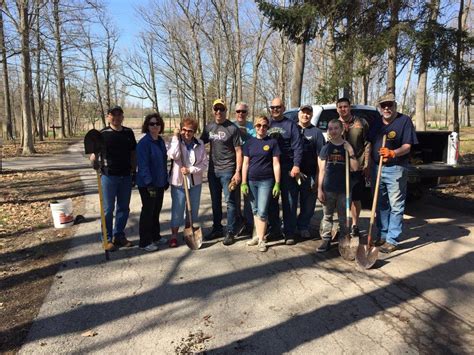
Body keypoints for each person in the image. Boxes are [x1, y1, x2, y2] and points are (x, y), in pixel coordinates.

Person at [369, 93, 418, 253]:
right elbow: (370, 146)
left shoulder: (404, 121)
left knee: (396, 205)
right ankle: (382, 235)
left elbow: (407, 146)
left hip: (396, 168)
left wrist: (393, 153)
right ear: (380, 107)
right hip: (377, 168)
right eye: (384, 105)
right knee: (381, 204)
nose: (387, 108)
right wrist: (369, 167)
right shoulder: (376, 122)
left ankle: (392, 240)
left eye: (390, 105)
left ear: (395, 106)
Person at [89, 105, 136, 251]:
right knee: (108, 209)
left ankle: (119, 236)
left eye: (119, 115)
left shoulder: (128, 133)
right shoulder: (102, 134)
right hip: (108, 176)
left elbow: (133, 153)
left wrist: (134, 171)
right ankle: (107, 238)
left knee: (123, 208)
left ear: (122, 116)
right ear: (108, 116)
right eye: (112, 115)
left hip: (126, 176)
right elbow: (93, 155)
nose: (116, 118)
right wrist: (93, 162)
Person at [200, 99, 242, 245]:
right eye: (216, 109)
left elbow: (238, 151)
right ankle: (217, 228)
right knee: (215, 202)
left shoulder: (232, 128)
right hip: (213, 171)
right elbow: (199, 144)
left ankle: (230, 231)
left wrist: (237, 172)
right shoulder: (209, 128)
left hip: (228, 170)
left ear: (226, 111)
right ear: (213, 111)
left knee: (229, 202)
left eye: (221, 109)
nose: (218, 112)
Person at [317, 119, 359, 252]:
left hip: (344, 190)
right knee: (327, 215)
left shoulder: (347, 146)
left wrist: (351, 152)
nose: (333, 131)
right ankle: (326, 239)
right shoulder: (326, 148)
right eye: (330, 128)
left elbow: (355, 168)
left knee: (343, 216)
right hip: (328, 188)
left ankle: (343, 239)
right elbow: (322, 170)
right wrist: (319, 189)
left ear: (341, 130)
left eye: (336, 128)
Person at [241, 116, 281, 252]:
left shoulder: (272, 143)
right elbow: (245, 164)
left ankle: (262, 239)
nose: (261, 128)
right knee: (255, 210)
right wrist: (243, 182)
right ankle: (258, 236)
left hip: (266, 181)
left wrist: (277, 183)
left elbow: (276, 164)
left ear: (268, 127)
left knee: (263, 211)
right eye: (258, 125)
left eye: (264, 126)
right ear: (254, 127)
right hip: (251, 181)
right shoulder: (249, 143)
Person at [267, 97, 303, 245]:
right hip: (269, 168)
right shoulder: (266, 124)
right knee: (271, 201)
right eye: (273, 107)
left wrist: (296, 165)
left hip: (288, 167)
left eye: (278, 107)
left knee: (289, 201)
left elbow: (297, 147)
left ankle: (289, 232)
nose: (275, 110)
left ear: (283, 108)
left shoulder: (291, 125)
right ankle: (275, 230)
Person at [168, 117, 208, 247]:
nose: (186, 133)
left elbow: (204, 164)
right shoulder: (176, 141)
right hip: (179, 182)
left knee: (193, 209)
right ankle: (174, 235)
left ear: (194, 132)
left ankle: (188, 230)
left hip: (195, 182)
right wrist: (175, 137)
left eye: (190, 131)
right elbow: (173, 155)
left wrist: (191, 169)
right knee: (178, 209)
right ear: (180, 130)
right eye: (184, 130)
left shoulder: (200, 144)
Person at [336, 97, 370, 237]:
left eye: (346, 106)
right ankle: (343, 224)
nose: (343, 109)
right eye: (340, 107)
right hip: (339, 168)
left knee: (356, 198)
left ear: (350, 107)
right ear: (337, 109)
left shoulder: (360, 123)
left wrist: (367, 164)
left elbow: (367, 143)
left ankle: (355, 225)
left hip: (357, 167)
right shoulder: (335, 124)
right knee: (341, 199)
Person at [136, 113, 169, 252]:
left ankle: (155, 236)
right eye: (151, 124)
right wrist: (149, 183)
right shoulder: (144, 143)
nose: (155, 126)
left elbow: (163, 162)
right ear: (147, 126)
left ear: (160, 125)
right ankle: (144, 241)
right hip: (147, 184)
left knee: (156, 211)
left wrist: (165, 179)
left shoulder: (160, 141)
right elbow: (143, 166)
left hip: (160, 182)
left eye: (157, 123)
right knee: (148, 212)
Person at [296, 104, 325, 239]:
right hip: (293, 173)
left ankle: (303, 226)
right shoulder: (293, 129)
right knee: (290, 203)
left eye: (308, 113)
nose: (305, 115)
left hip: (310, 174)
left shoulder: (317, 133)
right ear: (299, 114)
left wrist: (319, 178)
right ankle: (289, 226)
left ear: (311, 115)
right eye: (303, 112)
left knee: (308, 205)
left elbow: (321, 157)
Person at [232, 102, 256, 237]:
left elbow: (256, 140)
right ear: (235, 112)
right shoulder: (230, 125)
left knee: (248, 196)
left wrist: (245, 133)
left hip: (249, 164)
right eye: (238, 111)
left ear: (247, 113)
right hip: (234, 165)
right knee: (233, 197)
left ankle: (249, 223)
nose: (240, 114)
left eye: (243, 111)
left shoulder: (253, 126)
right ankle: (237, 222)